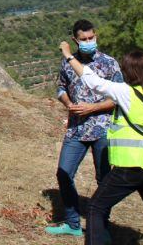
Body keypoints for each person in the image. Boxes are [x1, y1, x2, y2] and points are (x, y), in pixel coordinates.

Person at [59, 42, 143, 245]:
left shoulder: (126, 93)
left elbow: (92, 81)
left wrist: (69, 56)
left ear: (130, 72)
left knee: (96, 208)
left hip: (130, 167)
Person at [46, 20, 123, 238]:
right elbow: (61, 87)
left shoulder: (109, 63)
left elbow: (119, 96)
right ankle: (72, 223)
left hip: (103, 128)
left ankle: (101, 226)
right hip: (76, 129)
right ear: (75, 40)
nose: (89, 42)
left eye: (91, 38)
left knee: (104, 178)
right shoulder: (68, 63)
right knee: (63, 172)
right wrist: (68, 103)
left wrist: (93, 107)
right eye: (84, 39)